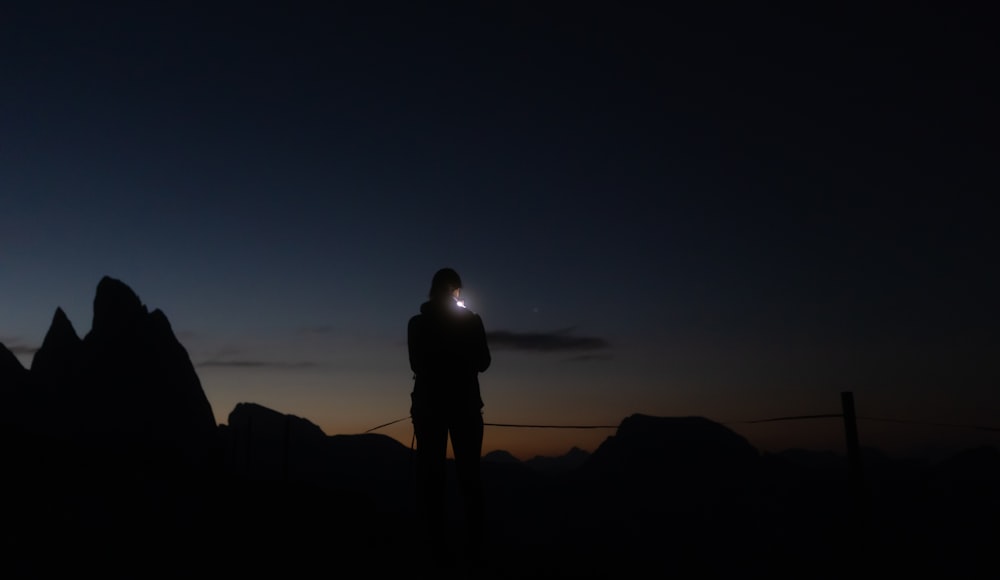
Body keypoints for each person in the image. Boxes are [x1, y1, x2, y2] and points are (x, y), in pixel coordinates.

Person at [407, 267, 491, 568]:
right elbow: (484, 362)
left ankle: (434, 547)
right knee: (469, 477)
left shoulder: (417, 324)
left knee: (431, 478)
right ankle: (474, 548)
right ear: (456, 291)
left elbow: (417, 362)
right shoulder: (471, 322)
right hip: (465, 407)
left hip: (429, 408)